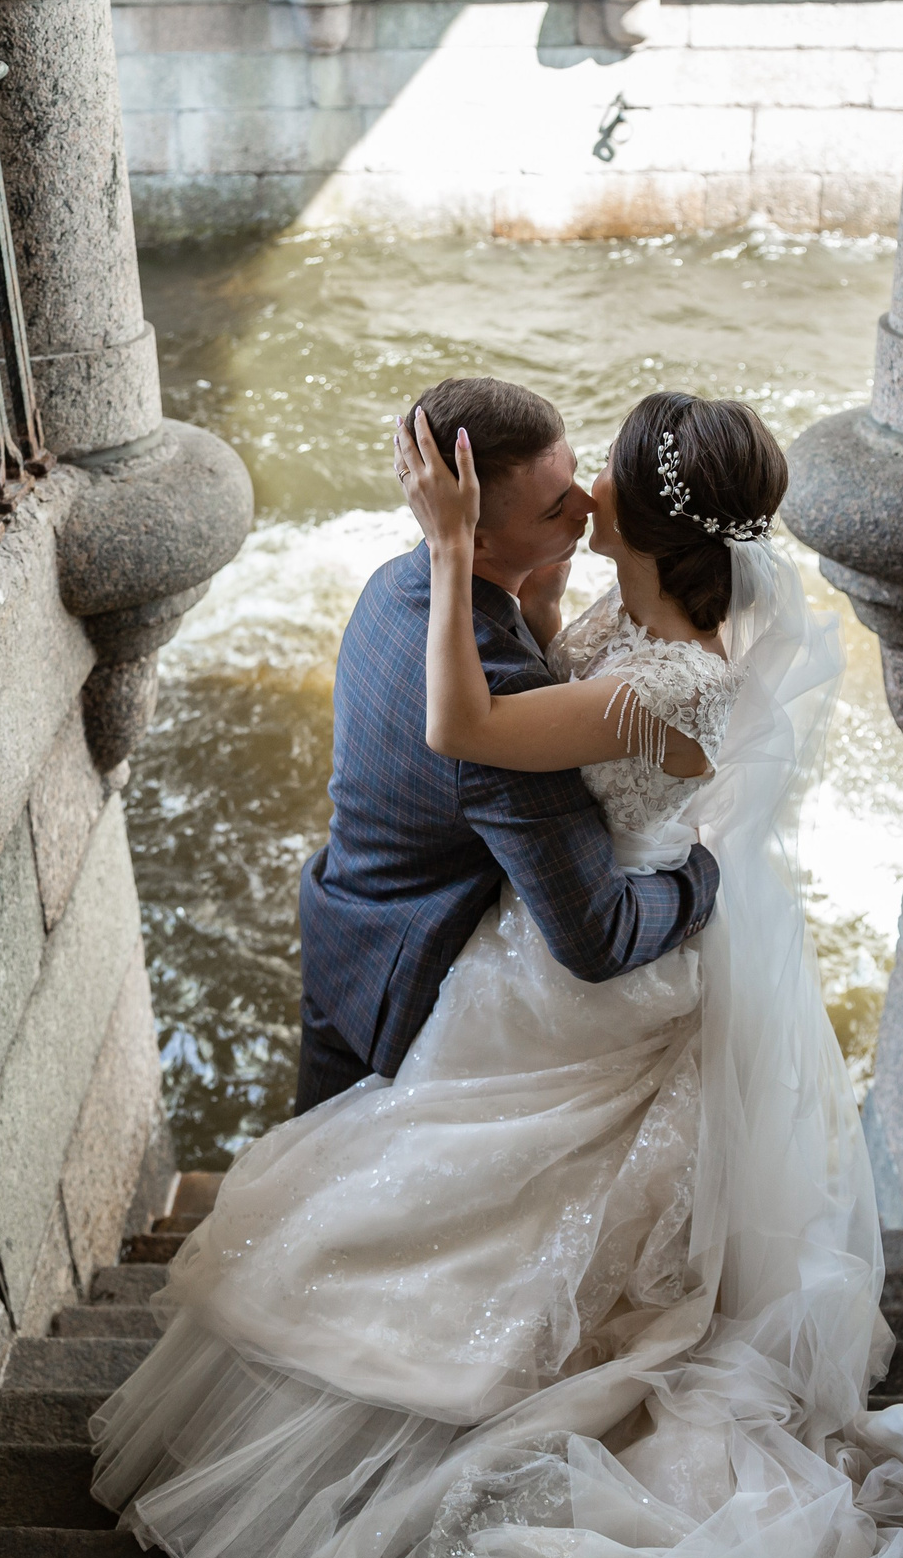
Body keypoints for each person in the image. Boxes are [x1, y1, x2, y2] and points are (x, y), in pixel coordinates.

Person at [87, 385, 903, 1558]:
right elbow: (532, 663)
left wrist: (449, 548)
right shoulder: (617, 620)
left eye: (596, 485)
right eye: (564, 490)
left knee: (494, 1202)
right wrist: (502, 575)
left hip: (603, 959)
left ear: (632, 519)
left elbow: (482, 742)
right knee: (465, 1191)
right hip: (556, 937)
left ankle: (497, 1392)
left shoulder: (622, 670)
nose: (581, 498)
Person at [287, 378, 716, 1115]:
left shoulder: (393, 585)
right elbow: (597, 935)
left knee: (303, 1178)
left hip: (343, 922)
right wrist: (704, 878)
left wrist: (539, 605)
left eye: (577, 473)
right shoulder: (500, 701)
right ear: (471, 534)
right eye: (555, 507)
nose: (586, 504)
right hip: (404, 983)